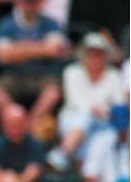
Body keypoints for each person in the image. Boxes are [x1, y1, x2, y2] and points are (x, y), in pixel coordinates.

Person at [48, 33, 125, 172]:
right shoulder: (71, 72)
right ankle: (66, 157)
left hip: (102, 123)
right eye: (91, 54)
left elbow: (119, 106)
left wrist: (103, 112)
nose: (94, 58)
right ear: (84, 55)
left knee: (106, 136)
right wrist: (99, 109)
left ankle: (62, 154)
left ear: (106, 56)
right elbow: (77, 102)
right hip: (71, 121)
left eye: (99, 54)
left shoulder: (114, 75)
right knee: (85, 116)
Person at [0, 0, 67, 123]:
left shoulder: (50, 23)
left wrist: (18, 48)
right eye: (26, 1)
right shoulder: (6, 24)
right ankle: (15, 123)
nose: (29, 5)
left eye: (33, 1)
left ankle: (29, 125)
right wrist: (40, 48)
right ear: (19, 1)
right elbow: (3, 56)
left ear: (40, 2)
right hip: (14, 75)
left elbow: (54, 50)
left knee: (53, 92)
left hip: (43, 74)